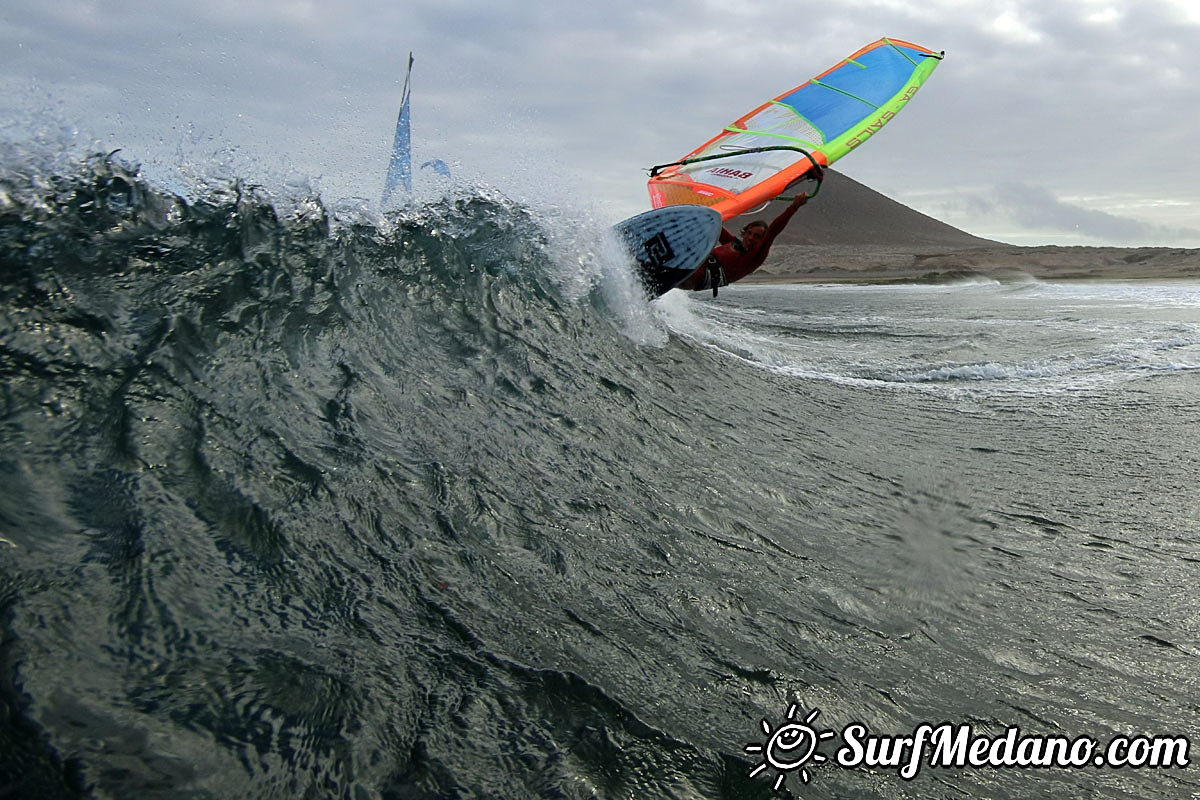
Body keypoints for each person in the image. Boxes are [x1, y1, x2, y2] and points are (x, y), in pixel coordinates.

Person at [675, 192, 809, 296]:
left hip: (695, 277)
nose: (750, 238)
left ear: (762, 241)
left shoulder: (755, 257)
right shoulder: (732, 243)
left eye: (757, 236)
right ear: (744, 233)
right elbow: (716, 224)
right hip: (689, 267)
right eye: (749, 233)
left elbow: (774, 230)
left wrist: (794, 207)